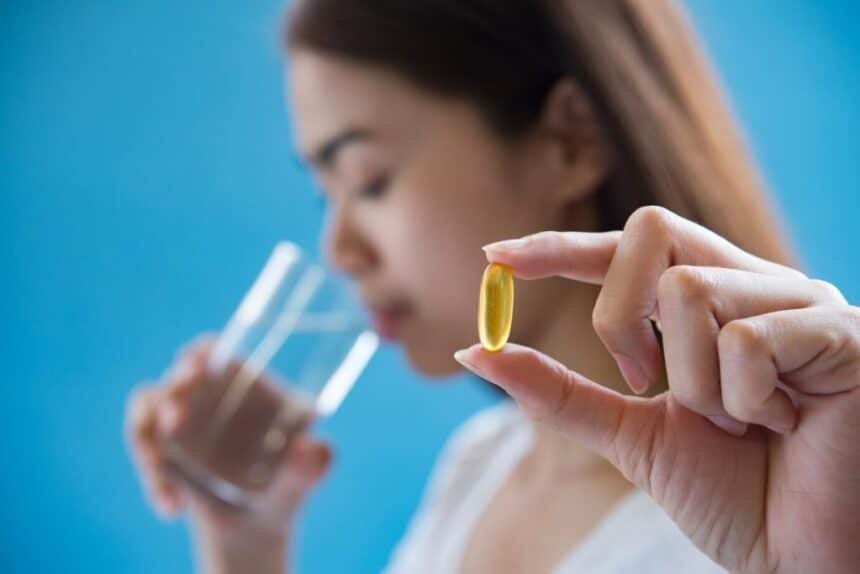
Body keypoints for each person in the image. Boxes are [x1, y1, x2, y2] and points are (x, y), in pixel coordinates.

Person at [125, 1, 860, 572]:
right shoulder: (480, 467)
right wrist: (245, 545)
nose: (338, 250)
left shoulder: (781, 515)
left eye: (368, 180)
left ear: (570, 140)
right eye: (326, 195)